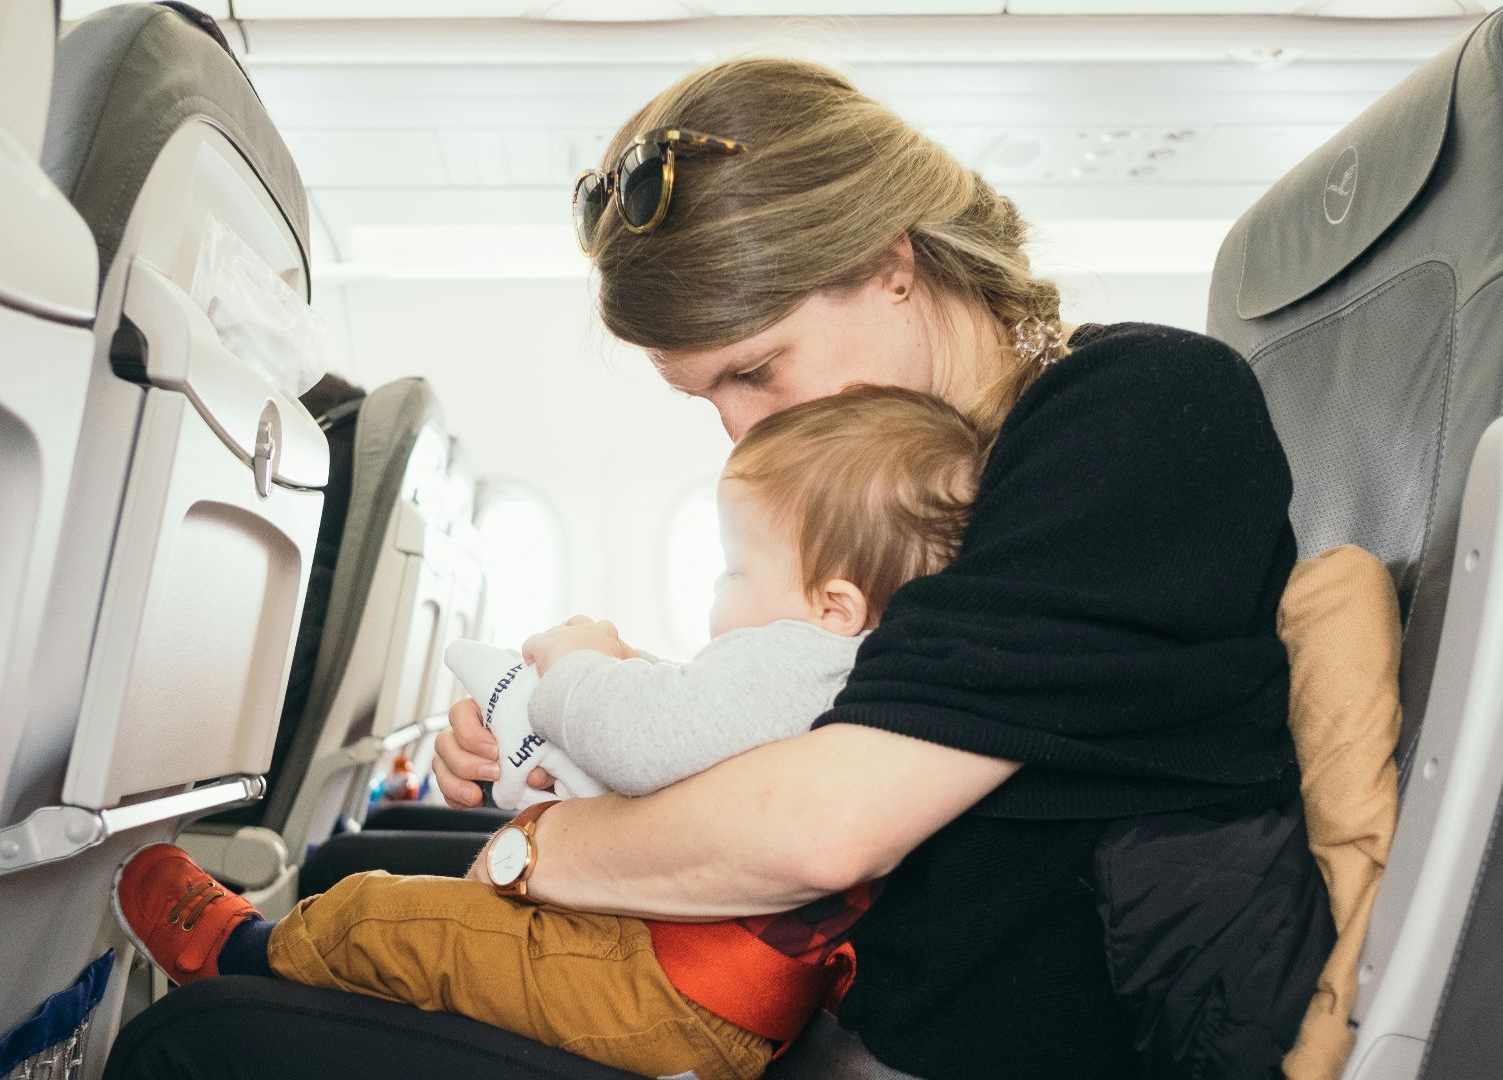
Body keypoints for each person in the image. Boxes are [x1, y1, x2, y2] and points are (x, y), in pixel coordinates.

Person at [108, 56, 1330, 1080]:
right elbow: (849, 707)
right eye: (705, 395)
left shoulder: (1139, 413)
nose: (741, 427)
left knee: (203, 1046)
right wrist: (560, 724)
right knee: (340, 880)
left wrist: (547, 846)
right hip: (801, 1005)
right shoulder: (931, 463)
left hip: (900, 1047)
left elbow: (821, 829)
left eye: (755, 369)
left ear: (893, 264)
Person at [112, 386, 988, 1080]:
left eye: (734, 570)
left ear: (834, 603)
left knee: (392, 915)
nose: (720, 595)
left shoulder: (803, 655)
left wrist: (576, 664)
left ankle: (246, 955)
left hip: (660, 988)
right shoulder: (854, 667)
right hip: (699, 997)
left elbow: (647, 741)